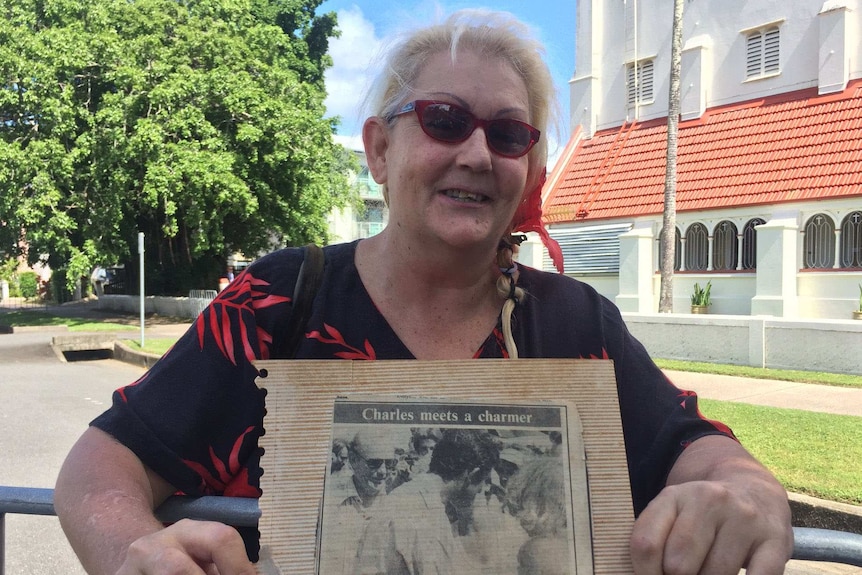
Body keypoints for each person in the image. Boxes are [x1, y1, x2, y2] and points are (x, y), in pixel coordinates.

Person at [54, 9, 793, 575]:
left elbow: (700, 451)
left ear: (530, 172)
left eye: (508, 134)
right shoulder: (278, 301)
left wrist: (747, 492)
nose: (476, 152)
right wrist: (134, 552)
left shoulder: (573, 322)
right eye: (444, 121)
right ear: (380, 148)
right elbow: (100, 465)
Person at [351, 429, 499, 574]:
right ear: (472, 475)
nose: (482, 490)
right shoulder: (428, 517)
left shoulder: (405, 495)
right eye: (484, 480)